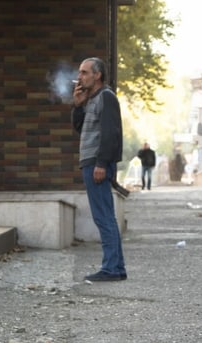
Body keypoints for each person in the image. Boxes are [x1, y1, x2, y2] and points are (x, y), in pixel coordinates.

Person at [72, 57, 127, 282]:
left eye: (85, 72)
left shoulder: (106, 97)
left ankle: (111, 268)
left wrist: (102, 164)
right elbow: (80, 129)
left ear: (98, 75)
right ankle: (116, 267)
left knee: (104, 217)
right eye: (80, 72)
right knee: (103, 216)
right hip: (91, 163)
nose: (80, 77)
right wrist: (77, 106)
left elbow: (110, 133)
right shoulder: (91, 99)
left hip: (97, 164)